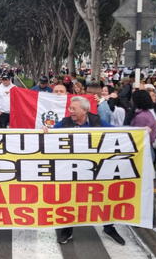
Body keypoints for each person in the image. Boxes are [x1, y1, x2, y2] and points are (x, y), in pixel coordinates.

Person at [53, 96, 125, 246]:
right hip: (72, 171)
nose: (70, 111)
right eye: (69, 108)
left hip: (95, 170)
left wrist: (140, 132)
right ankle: (67, 230)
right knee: (70, 199)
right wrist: (44, 131)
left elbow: (117, 132)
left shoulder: (97, 121)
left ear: (85, 110)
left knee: (103, 197)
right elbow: (50, 137)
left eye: (73, 109)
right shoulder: (65, 123)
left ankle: (109, 227)